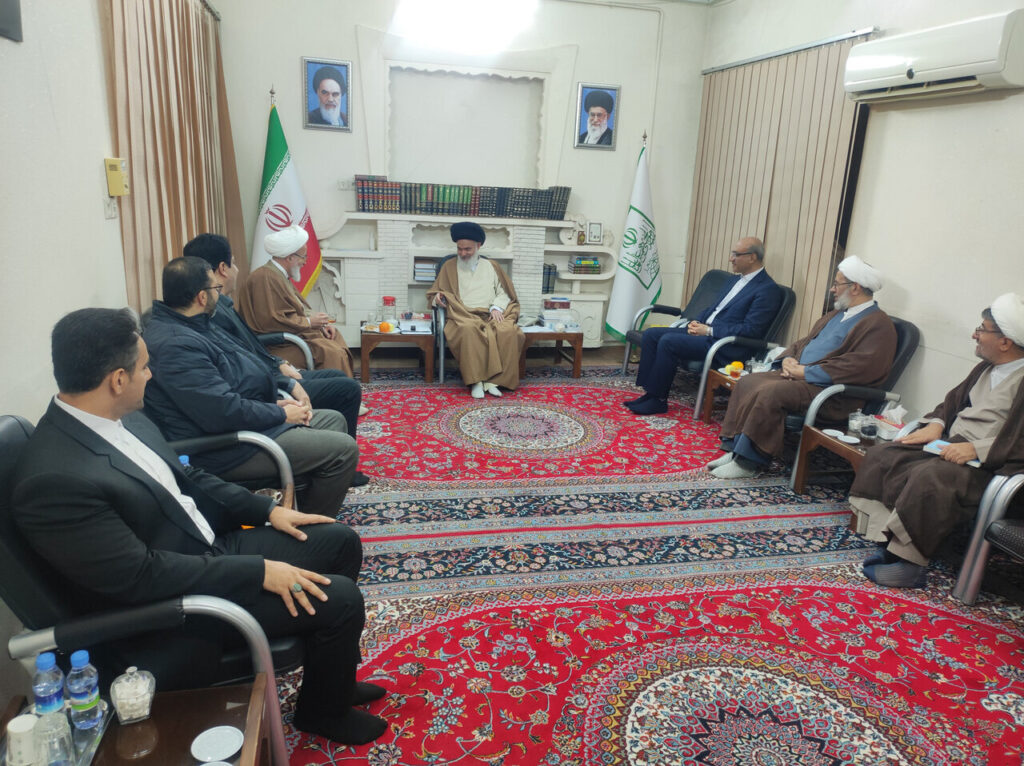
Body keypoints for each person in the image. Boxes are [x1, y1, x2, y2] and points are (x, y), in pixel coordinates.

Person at [12, 308, 388, 745]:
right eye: (145, 367)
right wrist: (259, 571)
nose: (151, 375)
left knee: (339, 542)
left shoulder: (118, 416)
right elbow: (140, 576)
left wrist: (268, 512)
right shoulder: (55, 479)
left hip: (202, 550)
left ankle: (333, 683)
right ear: (117, 379)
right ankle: (324, 714)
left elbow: (187, 478)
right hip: (175, 606)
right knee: (340, 599)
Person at [144, 257, 358, 514]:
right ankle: (311, 529)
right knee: (343, 450)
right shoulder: (176, 345)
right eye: (216, 288)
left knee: (334, 420)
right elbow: (221, 412)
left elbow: (229, 383)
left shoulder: (196, 324)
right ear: (201, 297)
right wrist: (279, 413)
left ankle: (300, 509)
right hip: (225, 448)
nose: (219, 294)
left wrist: (275, 401)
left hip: (247, 421)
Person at [848, 294, 1024, 588]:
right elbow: (951, 403)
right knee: (885, 454)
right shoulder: (985, 368)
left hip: (991, 466)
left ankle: (910, 565)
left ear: (1005, 341)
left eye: (981, 330)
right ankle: (887, 542)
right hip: (950, 446)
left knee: (931, 477)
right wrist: (936, 424)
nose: (975, 335)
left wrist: (976, 449)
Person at [708, 255, 898, 479]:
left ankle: (748, 463)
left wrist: (806, 372)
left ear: (855, 287)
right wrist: (788, 359)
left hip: (832, 393)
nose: (832, 289)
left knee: (771, 392)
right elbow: (804, 342)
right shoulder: (837, 314)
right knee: (748, 382)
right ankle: (734, 450)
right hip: (802, 378)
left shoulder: (878, 324)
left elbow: (860, 367)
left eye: (837, 284)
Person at [184, 232, 370, 434]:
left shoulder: (222, 305)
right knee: (336, 366)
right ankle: (335, 436)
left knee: (334, 352)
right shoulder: (249, 287)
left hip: (269, 366)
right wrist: (283, 375)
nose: (305, 262)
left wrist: (278, 363)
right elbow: (268, 322)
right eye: (234, 263)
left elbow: (247, 348)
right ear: (222, 269)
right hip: (277, 351)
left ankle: (334, 431)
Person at [626, 236, 784, 415]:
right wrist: (696, 321)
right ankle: (649, 393)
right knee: (651, 334)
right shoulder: (734, 280)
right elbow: (713, 308)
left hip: (725, 345)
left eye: (736, 254)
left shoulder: (767, 290)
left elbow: (752, 330)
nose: (731, 259)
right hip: (705, 332)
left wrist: (709, 330)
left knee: (668, 341)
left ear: (752, 257)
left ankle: (658, 400)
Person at [237, 225, 355, 376]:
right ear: (290, 257)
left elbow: (294, 310)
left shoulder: (277, 275)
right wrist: (309, 322)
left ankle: (346, 387)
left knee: (332, 335)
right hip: (276, 346)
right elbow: (271, 321)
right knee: (331, 352)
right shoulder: (265, 278)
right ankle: (335, 389)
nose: (305, 262)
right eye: (303, 257)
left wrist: (321, 325)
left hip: (290, 338)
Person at [427, 221, 524, 398]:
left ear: (478, 246)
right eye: (459, 249)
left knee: (509, 331)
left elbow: (504, 292)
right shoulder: (449, 266)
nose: (463, 253)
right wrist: (438, 298)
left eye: (468, 249)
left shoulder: (492, 266)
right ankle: (476, 381)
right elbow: (434, 293)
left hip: (490, 314)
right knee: (468, 330)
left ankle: (494, 381)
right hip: (462, 315)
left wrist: (496, 307)